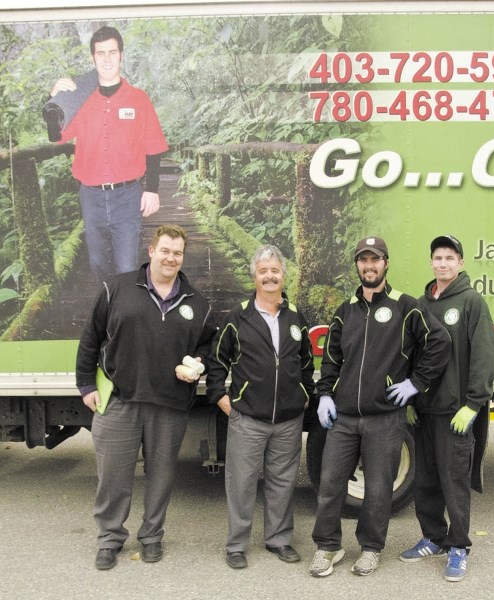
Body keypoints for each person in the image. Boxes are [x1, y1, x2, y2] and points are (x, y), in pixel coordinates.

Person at [76, 224, 217, 570]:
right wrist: (86, 385)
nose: (171, 257)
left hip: (170, 404)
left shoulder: (197, 303)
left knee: (162, 474)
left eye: (178, 253)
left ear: (183, 257)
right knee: (113, 476)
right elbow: (90, 339)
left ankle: (152, 536)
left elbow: (209, 346)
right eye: (165, 250)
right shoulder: (116, 289)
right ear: (151, 251)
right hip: (120, 400)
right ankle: (110, 538)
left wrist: (198, 363)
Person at [309, 236, 451, 578]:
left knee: (377, 490)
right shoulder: (346, 310)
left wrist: (416, 383)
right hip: (343, 418)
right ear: (357, 265)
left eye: (375, 260)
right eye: (363, 260)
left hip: (385, 418)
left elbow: (439, 342)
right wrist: (325, 394)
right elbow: (331, 358)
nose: (369, 266)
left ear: (386, 263)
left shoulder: (405, 306)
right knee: (330, 485)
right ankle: (328, 546)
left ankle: (371, 548)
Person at [399, 234, 494, 582]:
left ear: (460, 263)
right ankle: (433, 537)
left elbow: (487, 356)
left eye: (449, 258)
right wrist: (411, 400)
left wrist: (473, 404)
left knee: (454, 481)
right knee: (426, 480)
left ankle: (458, 546)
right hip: (424, 411)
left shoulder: (472, 302)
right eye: (437, 258)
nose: (443, 263)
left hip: (455, 413)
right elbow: (410, 356)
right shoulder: (419, 304)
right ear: (431, 263)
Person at [206, 244, 315, 569]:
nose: (270, 276)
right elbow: (216, 361)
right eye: (263, 271)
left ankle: (279, 540)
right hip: (247, 419)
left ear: (283, 275)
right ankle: (236, 545)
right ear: (255, 276)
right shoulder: (238, 316)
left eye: (275, 270)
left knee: (283, 482)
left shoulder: (296, 316)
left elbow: (306, 362)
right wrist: (224, 401)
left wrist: (304, 395)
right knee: (240, 483)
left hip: (288, 421)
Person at [47, 25, 169, 281]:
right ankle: (110, 309)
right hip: (91, 197)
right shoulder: (78, 99)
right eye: (100, 53)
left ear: (121, 55)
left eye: (112, 52)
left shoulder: (138, 99)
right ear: (93, 58)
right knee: (99, 265)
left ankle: (125, 318)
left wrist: (152, 189)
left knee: (127, 267)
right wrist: (53, 99)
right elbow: (55, 136)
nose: (106, 58)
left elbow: (154, 146)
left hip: (127, 196)